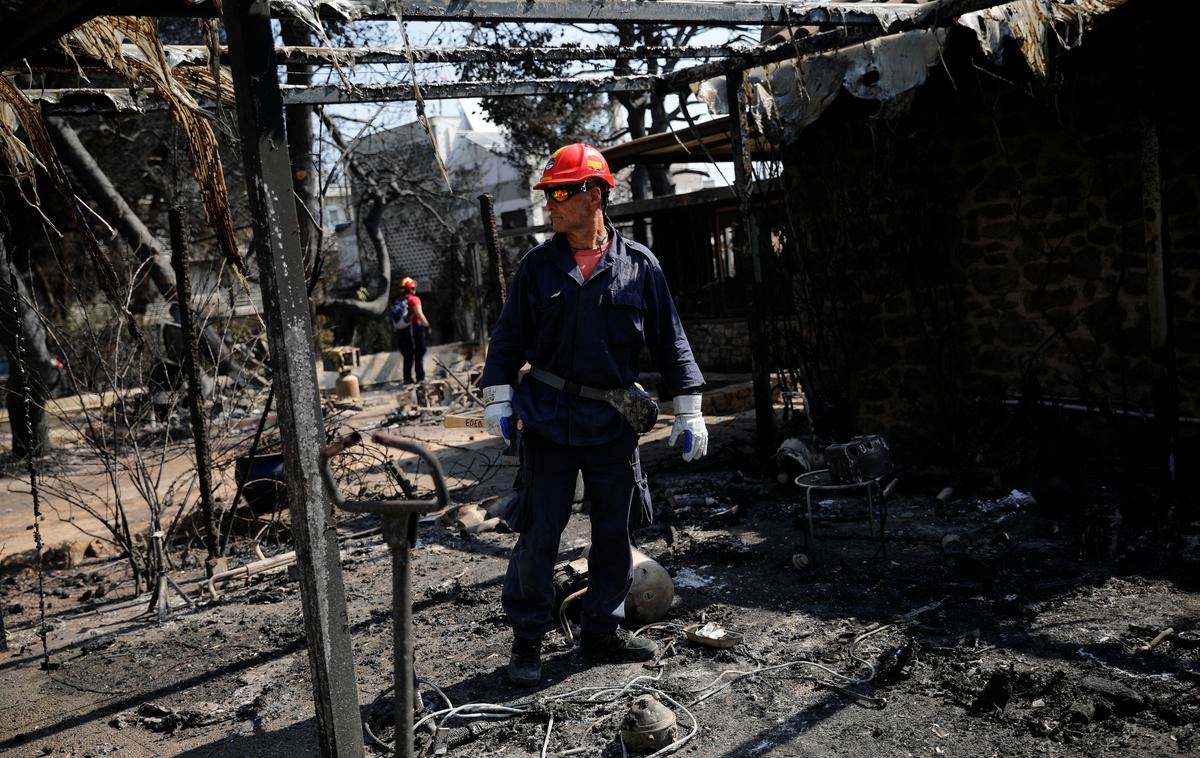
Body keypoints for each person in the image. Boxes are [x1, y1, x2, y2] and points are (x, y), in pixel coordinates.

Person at [480, 143, 709, 687]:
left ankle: (602, 631)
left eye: (561, 192)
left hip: (612, 421)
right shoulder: (536, 267)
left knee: (613, 529)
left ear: (595, 194)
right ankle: (528, 639)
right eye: (549, 194)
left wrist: (690, 410)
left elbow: (670, 340)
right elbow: (508, 338)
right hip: (549, 420)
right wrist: (497, 395)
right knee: (539, 532)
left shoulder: (639, 266)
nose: (550, 205)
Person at [390, 276, 431, 384]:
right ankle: (420, 378)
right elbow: (419, 314)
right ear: (412, 289)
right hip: (415, 331)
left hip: (402, 332)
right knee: (419, 354)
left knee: (407, 356)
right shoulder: (414, 299)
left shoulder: (398, 301)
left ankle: (407, 379)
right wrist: (427, 326)